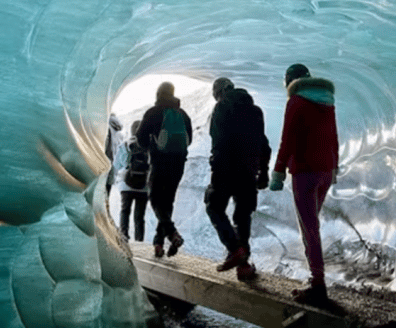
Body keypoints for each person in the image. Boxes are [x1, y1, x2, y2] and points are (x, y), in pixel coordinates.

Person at [269, 64, 338, 305]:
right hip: (325, 171)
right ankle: (315, 279)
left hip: (306, 172)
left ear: (290, 80)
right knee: (312, 226)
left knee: (309, 228)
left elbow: (287, 139)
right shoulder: (327, 101)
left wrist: (277, 172)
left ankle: (317, 284)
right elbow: (334, 136)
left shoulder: (296, 101)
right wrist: (334, 167)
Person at [206, 78, 271, 280]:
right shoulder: (255, 111)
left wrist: (217, 164)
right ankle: (243, 266)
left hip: (225, 169)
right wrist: (264, 171)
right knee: (243, 216)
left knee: (214, 206)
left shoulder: (221, 108)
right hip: (248, 172)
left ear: (219, 92)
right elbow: (264, 145)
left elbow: (218, 140)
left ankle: (235, 249)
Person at [135, 81, 193, 258]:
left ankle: (172, 233)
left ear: (158, 94)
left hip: (160, 162)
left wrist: (150, 146)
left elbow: (141, 138)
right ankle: (159, 244)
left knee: (155, 198)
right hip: (179, 163)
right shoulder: (182, 114)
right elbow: (188, 139)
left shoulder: (154, 112)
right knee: (167, 202)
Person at [115, 120, 150, 242]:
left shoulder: (124, 145)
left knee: (125, 211)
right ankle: (139, 240)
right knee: (139, 216)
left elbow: (117, 165)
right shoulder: (149, 146)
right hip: (143, 186)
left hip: (126, 184)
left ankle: (124, 235)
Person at [104, 113, 124, 194]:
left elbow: (105, 144)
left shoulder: (107, 127)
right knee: (108, 188)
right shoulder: (120, 132)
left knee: (101, 191)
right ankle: (107, 205)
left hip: (105, 161)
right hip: (115, 164)